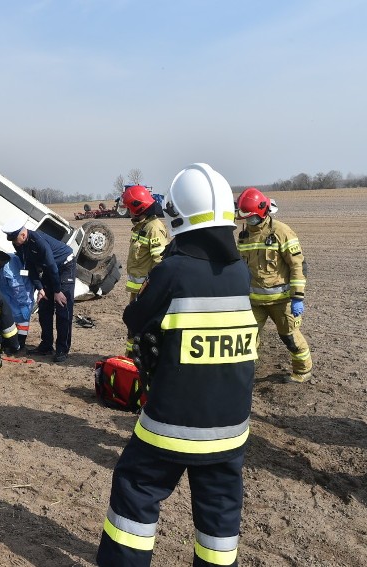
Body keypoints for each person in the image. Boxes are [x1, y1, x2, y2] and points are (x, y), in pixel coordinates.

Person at [96, 163, 256, 566]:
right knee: (220, 517)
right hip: (230, 431)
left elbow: (136, 320)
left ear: (178, 215)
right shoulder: (240, 272)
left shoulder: (174, 269)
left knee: (135, 489)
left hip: (171, 424)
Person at [236, 187, 313, 383]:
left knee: (290, 338)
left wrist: (297, 297)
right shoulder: (244, 236)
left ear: (263, 211)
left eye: (251, 217)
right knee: (247, 339)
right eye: (245, 218)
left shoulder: (281, 231)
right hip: (254, 302)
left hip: (281, 301)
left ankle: (302, 372)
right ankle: (246, 375)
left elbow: (297, 265)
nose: (248, 221)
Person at [1, 219, 76, 363]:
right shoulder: (20, 244)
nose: (14, 243)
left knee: (62, 307)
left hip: (64, 266)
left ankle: (62, 349)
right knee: (44, 307)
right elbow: (29, 266)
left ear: (23, 235)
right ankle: (46, 345)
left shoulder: (39, 241)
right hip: (50, 269)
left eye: (15, 239)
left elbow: (52, 266)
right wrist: (40, 288)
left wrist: (57, 291)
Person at [121, 185, 169, 355]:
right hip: (137, 291)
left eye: (129, 208)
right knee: (133, 324)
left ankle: (140, 358)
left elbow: (160, 262)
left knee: (143, 326)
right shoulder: (141, 226)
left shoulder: (153, 228)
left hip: (146, 291)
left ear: (138, 208)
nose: (128, 212)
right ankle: (131, 356)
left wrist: (151, 289)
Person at [0, 250, 34, 352]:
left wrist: (23, 303)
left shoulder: (9, 266)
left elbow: (17, 286)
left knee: (22, 319)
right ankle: (10, 342)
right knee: (9, 318)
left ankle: (20, 342)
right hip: (7, 293)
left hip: (22, 294)